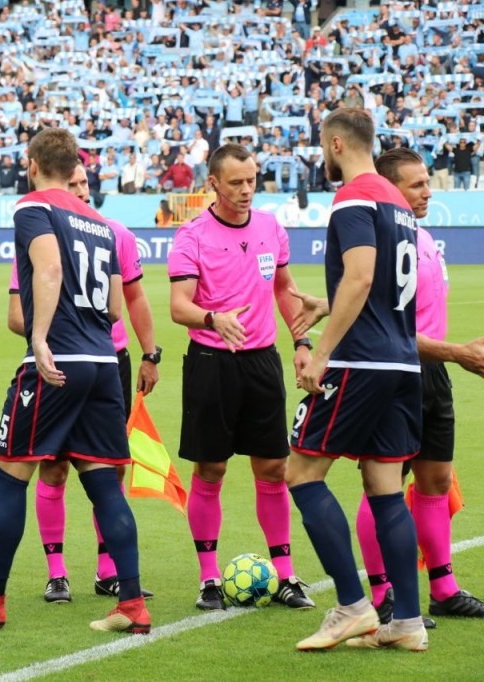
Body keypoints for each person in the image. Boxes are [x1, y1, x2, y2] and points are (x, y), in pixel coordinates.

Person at [0, 128, 150, 634]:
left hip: (59, 363)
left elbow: (49, 269)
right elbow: (116, 306)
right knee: (103, 484)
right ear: (73, 164)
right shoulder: (100, 222)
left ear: (31, 163)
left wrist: (39, 338)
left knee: (9, 475)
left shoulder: (34, 208)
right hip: (103, 364)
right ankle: (133, 603)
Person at [291, 147, 484, 623]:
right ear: (390, 187)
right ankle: (383, 595)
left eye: (426, 182)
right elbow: (384, 317)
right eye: (417, 184)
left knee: (432, 479)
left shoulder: (422, 238)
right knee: (382, 479)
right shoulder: (379, 222)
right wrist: (458, 352)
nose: (427, 191)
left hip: (426, 371)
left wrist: (323, 302)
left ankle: (442, 587)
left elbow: (375, 304)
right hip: (405, 362)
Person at [285, 108, 427, 651]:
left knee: (301, 471)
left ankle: (351, 605)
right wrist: (329, 305)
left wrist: (321, 353)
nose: (322, 156)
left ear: (337, 143)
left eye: (323, 147)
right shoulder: (398, 205)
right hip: (401, 363)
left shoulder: (353, 196)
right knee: (384, 484)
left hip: (360, 362)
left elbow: (363, 275)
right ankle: (408, 622)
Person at [167, 143, 315, 612]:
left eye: (251, 179)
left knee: (273, 469)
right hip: (212, 363)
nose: (247, 189)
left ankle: (286, 576)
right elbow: (178, 306)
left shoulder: (272, 226)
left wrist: (303, 345)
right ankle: (209, 579)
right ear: (212, 183)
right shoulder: (191, 235)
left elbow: (286, 290)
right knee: (210, 470)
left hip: (262, 362)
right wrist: (213, 319)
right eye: (236, 182)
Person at [7, 161, 159, 603]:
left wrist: (150, 354)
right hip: (61, 361)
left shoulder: (113, 234)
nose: (80, 191)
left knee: (108, 469)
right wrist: (55, 330)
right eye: (72, 183)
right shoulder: (40, 235)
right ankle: (57, 573)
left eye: (85, 183)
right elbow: (16, 313)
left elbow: (133, 299)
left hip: (111, 362)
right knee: (53, 468)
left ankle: (108, 571)